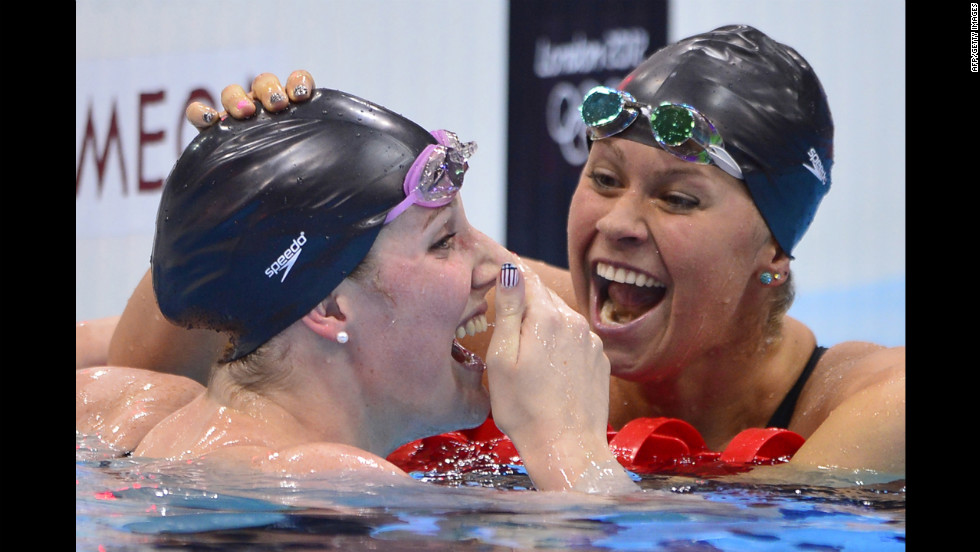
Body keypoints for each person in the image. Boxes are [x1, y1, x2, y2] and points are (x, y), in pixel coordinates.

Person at [95, 24, 906, 477]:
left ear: (775, 245)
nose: (620, 220)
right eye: (605, 177)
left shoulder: (874, 408)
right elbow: (172, 361)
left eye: (676, 197)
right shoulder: (519, 301)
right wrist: (237, 198)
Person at [76, 87, 637, 494]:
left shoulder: (118, 409)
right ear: (328, 304)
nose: (496, 262)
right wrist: (570, 452)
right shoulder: (331, 485)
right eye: (444, 242)